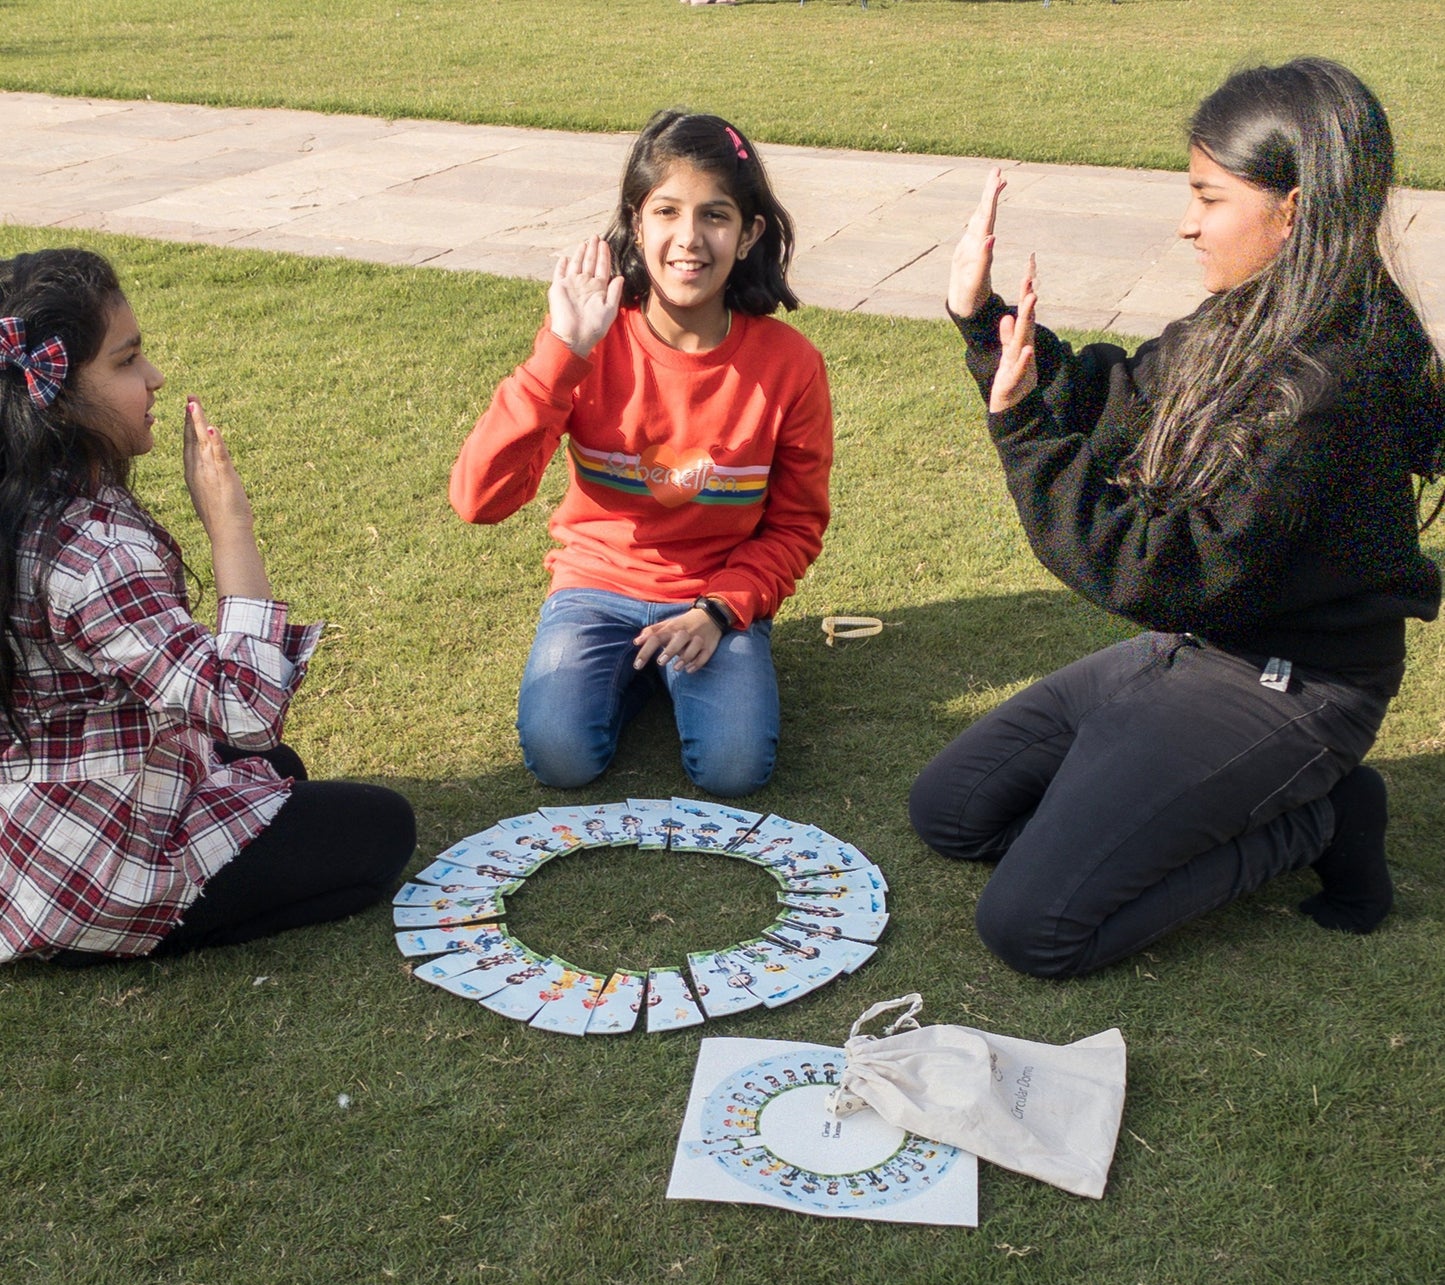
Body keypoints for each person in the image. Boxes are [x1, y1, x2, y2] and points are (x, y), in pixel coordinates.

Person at [909, 58, 1444, 979]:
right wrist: (980, 317)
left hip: (1296, 685)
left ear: (1292, 206)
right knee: (952, 811)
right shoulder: (1256, 315)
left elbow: (1163, 570)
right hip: (1207, 642)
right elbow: (1122, 398)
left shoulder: (1328, 386)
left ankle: (1320, 816)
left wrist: (1024, 436)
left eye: (1207, 195)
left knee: (1032, 926)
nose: (1185, 220)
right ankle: (1164, 789)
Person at [0, 248, 415, 963]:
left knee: (280, 766)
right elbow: (248, 711)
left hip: (39, 810)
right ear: (58, 395)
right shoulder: (94, 556)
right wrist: (231, 529)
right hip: (90, 867)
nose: (155, 377)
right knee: (381, 831)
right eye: (128, 361)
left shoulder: (30, 501)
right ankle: (135, 925)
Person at [450, 109, 832, 798]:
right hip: (594, 591)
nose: (689, 239)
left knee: (733, 769)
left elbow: (795, 527)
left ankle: (678, 663)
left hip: (713, 596)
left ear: (748, 234)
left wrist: (721, 610)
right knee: (561, 757)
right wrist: (560, 354)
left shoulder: (790, 365)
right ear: (636, 222)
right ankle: (636, 674)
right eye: (667, 211)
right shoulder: (590, 343)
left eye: (715, 216)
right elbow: (478, 499)